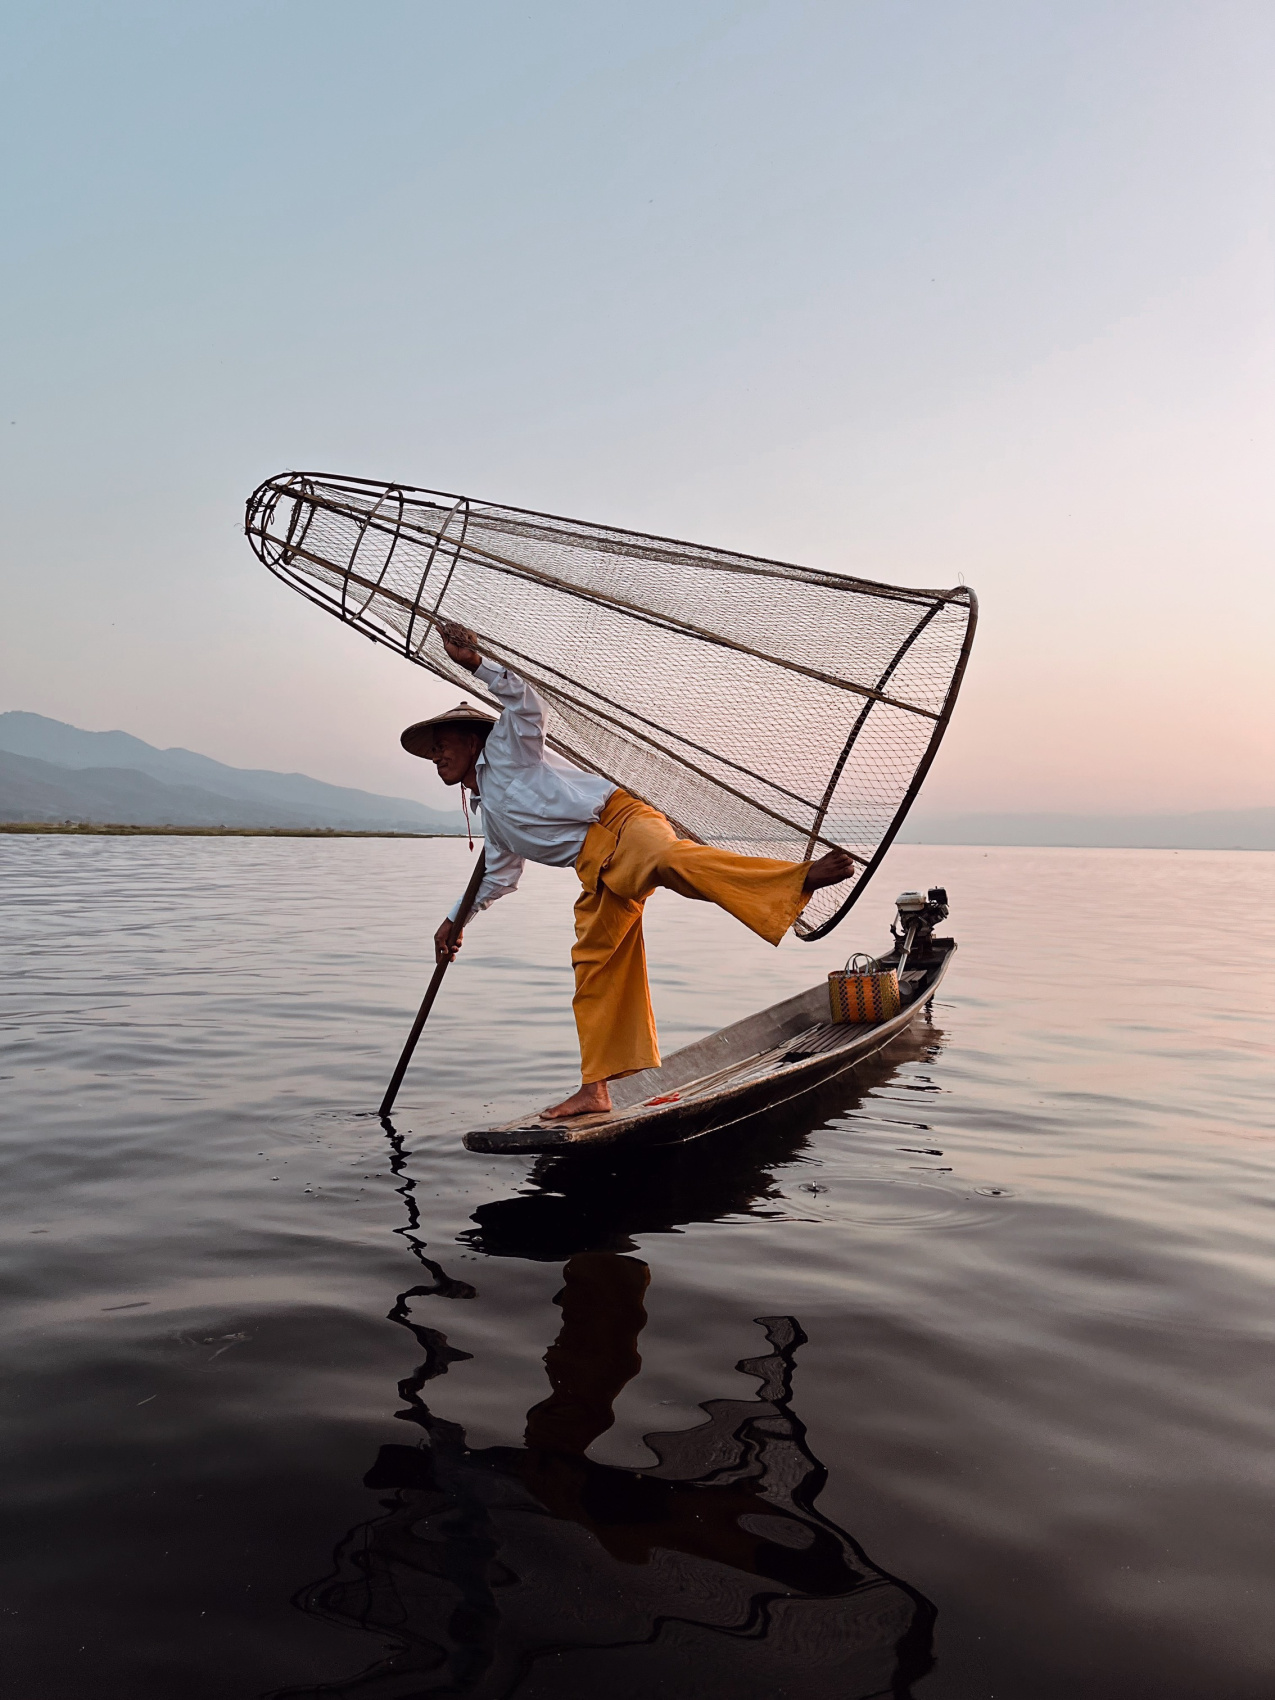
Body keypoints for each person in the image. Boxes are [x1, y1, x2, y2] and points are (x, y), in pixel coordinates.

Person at [401, 622, 855, 1120]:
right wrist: (454, 921)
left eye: (442, 744)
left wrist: (475, 665)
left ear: (472, 741)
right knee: (592, 967)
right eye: (432, 752)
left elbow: (530, 705)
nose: (436, 756)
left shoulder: (507, 748)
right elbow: (498, 878)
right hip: (596, 870)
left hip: (621, 823)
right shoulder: (494, 821)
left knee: (667, 860)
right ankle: (595, 1090)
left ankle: (796, 879)